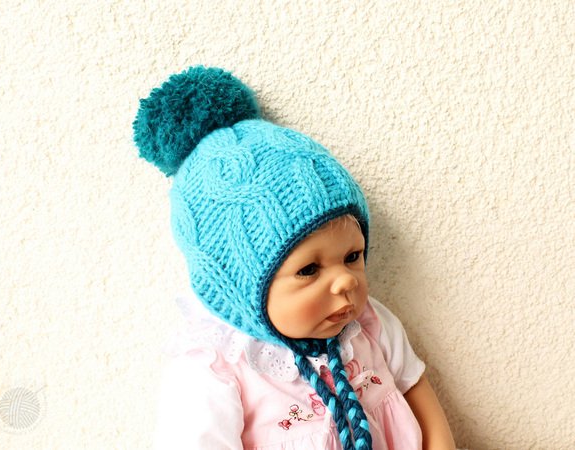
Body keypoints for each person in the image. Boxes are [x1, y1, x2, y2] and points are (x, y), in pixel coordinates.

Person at [133, 66, 455, 449]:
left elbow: (416, 390)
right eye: (309, 269)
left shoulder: (370, 325)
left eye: (352, 255)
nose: (347, 281)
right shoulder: (218, 369)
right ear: (241, 291)